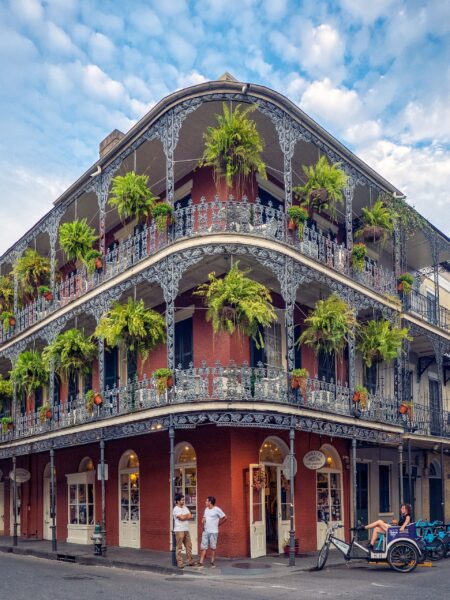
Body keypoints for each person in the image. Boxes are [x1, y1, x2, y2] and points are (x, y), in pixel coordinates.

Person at [198, 496, 227, 567]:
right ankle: (201, 562)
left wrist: (219, 524)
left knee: (213, 547)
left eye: (206, 501)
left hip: (214, 531)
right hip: (205, 531)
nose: (205, 502)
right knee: (203, 547)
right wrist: (203, 519)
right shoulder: (206, 509)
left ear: (210, 502)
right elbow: (204, 517)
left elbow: (225, 517)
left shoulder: (217, 509)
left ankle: (212, 562)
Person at [172, 493, 195, 569]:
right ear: (178, 501)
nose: (183, 501)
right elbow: (182, 518)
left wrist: (184, 516)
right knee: (179, 547)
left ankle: (190, 561)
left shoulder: (185, 507)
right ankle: (180, 563)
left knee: (189, 546)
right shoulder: (175, 509)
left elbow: (190, 516)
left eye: (183, 500)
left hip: (186, 529)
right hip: (179, 530)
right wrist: (186, 516)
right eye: (182, 500)